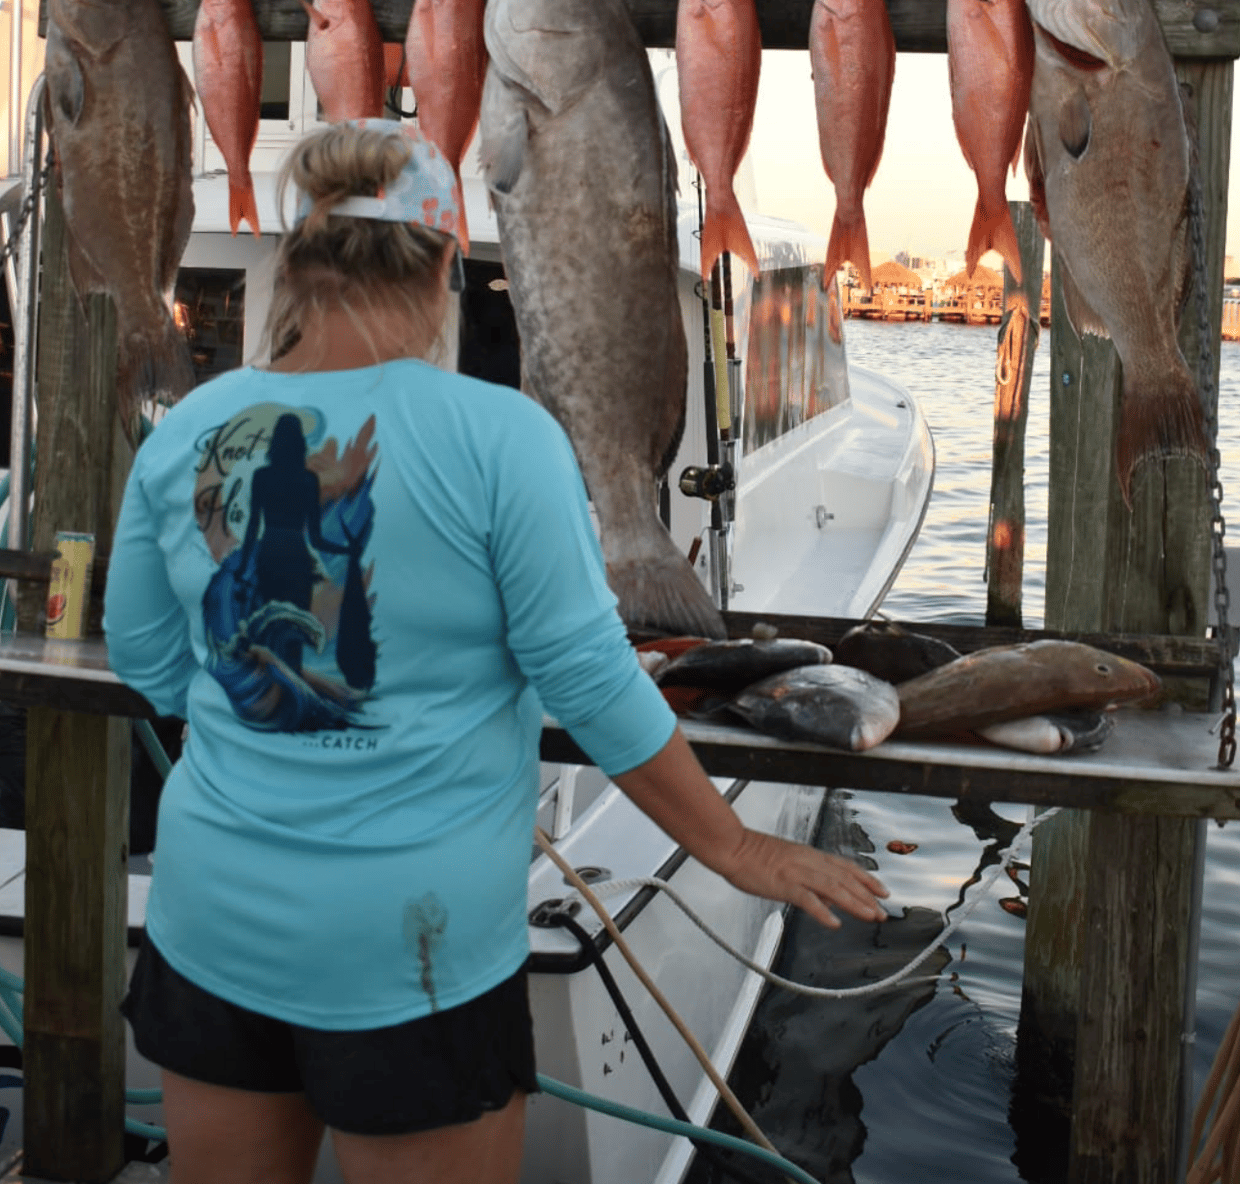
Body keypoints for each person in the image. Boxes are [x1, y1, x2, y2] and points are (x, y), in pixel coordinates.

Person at [103, 119, 889, 1184]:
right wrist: (737, 849)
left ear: (294, 261)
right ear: (441, 264)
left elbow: (148, 659)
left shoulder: (188, 429)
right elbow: (590, 679)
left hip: (211, 932)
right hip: (417, 954)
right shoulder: (502, 437)